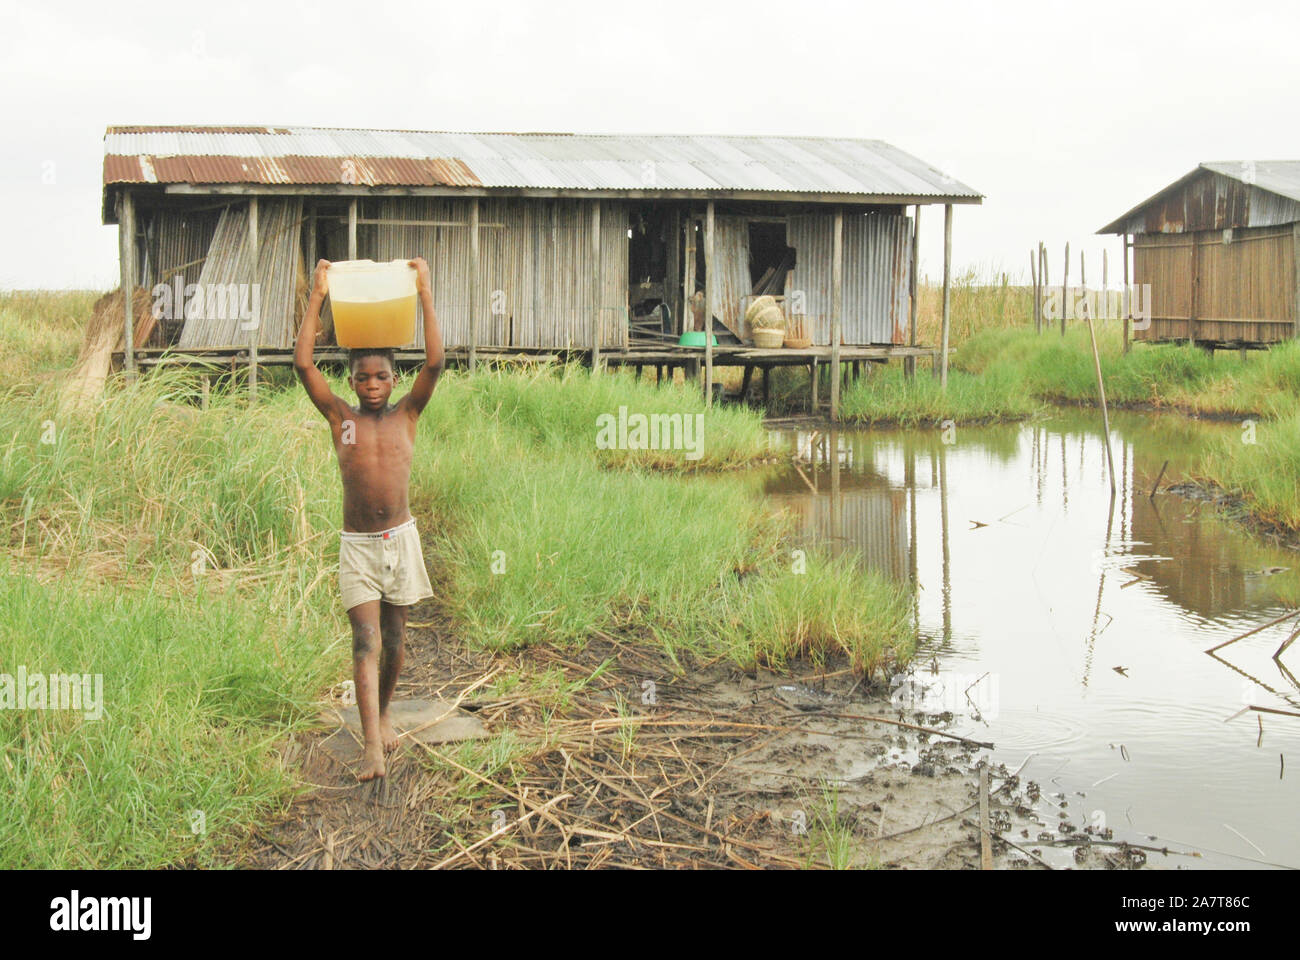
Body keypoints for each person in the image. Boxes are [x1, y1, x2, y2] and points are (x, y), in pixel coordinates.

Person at [294, 257, 445, 780]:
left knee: (397, 642)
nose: (373, 384)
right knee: (366, 642)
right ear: (352, 381)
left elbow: (436, 365)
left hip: (399, 541)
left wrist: (424, 291)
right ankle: (372, 750)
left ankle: (382, 714)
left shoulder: (407, 414)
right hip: (357, 547)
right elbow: (304, 367)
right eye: (363, 377)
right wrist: (318, 296)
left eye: (381, 375)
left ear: (393, 378)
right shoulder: (343, 419)